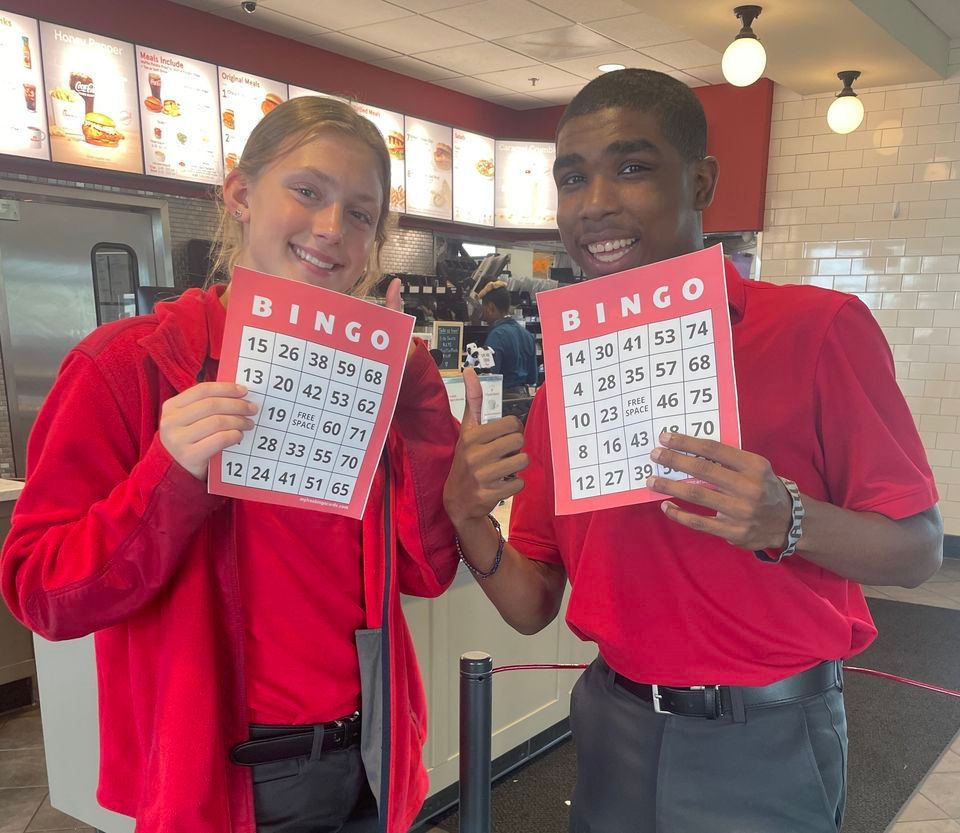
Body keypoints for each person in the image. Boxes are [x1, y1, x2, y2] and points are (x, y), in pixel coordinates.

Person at [443, 69, 943, 833]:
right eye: (572, 177)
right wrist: (469, 517)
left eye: (632, 167)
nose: (596, 201)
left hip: (765, 739)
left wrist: (786, 518)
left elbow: (919, 550)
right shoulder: (563, 389)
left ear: (701, 181)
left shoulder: (817, 329)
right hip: (613, 725)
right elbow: (535, 601)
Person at [1, 97, 461, 833]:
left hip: (372, 762)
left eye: (361, 213)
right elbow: (42, 593)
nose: (330, 229)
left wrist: (424, 416)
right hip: (226, 779)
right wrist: (170, 476)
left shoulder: (376, 375)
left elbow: (424, 571)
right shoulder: (130, 366)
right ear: (241, 195)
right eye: (307, 191)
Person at [476, 280, 537, 394]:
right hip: (524, 401)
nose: (483, 316)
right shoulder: (527, 335)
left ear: (491, 307)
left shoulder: (497, 336)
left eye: (484, 309)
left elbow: (490, 378)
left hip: (503, 401)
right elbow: (533, 378)